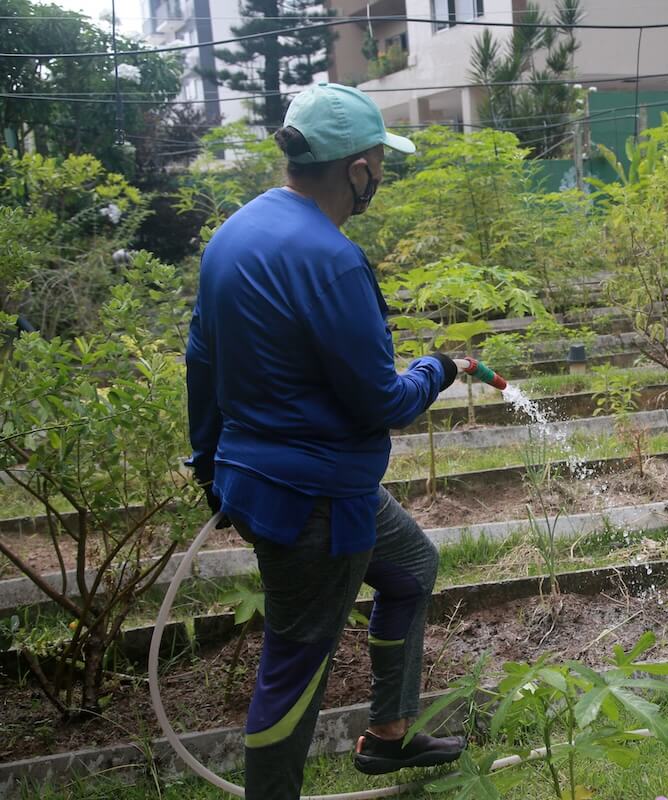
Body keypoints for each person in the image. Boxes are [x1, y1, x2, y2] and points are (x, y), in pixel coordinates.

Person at [185, 83, 466, 800]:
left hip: (286, 485)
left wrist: (209, 467)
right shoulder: (332, 260)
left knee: (409, 568)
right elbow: (382, 402)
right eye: (381, 160)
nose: (383, 174)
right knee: (294, 668)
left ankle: (389, 737)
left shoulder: (234, 235)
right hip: (315, 503)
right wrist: (438, 369)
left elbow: (201, 362)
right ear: (357, 168)